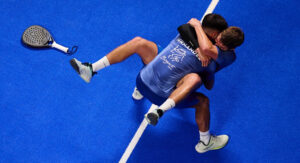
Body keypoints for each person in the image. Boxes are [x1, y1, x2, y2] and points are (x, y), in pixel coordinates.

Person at [69, 14, 244, 153]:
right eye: (218, 36)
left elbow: (191, 30)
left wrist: (198, 32)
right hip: (161, 96)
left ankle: (92, 68)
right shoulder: (217, 57)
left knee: (144, 45)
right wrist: (206, 66)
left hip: (141, 79)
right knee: (200, 92)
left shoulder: (187, 29)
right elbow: (209, 82)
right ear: (214, 35)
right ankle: (204, 141)